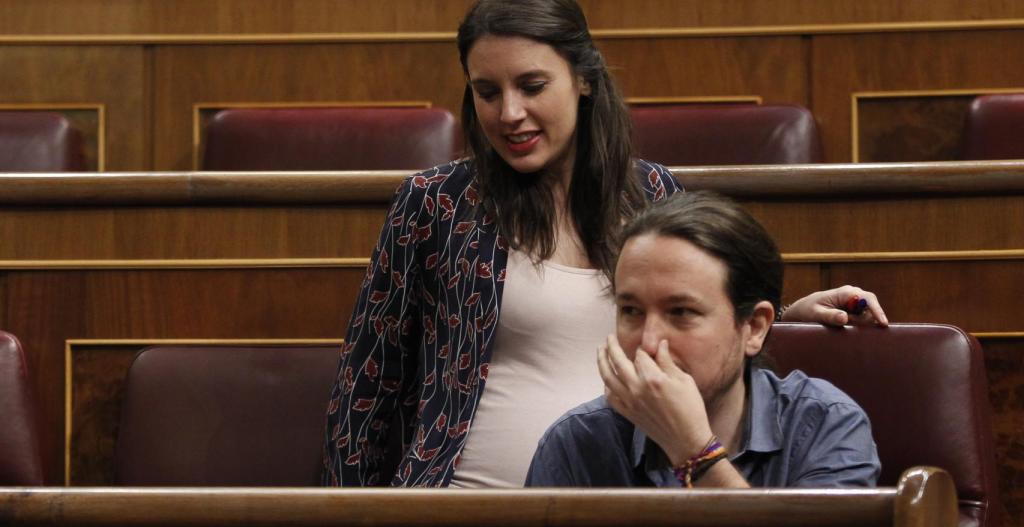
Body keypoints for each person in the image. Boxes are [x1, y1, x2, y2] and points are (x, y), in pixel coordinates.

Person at [322, 0, 886, 488]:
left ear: (584, 79)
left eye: (532, 86)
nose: (509, 113)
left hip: (627, 497)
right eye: (487, 92)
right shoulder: (436, 202)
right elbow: (367, 386)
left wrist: (784, 320)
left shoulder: (653, 192)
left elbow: (693, 323)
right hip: (462, 504)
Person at [526, 192, 881, 488]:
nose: (648, 343)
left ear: (754, 327)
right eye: (631, 311)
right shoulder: (577, 442)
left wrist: (695, 453)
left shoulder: (825, 425)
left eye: (681, 312)